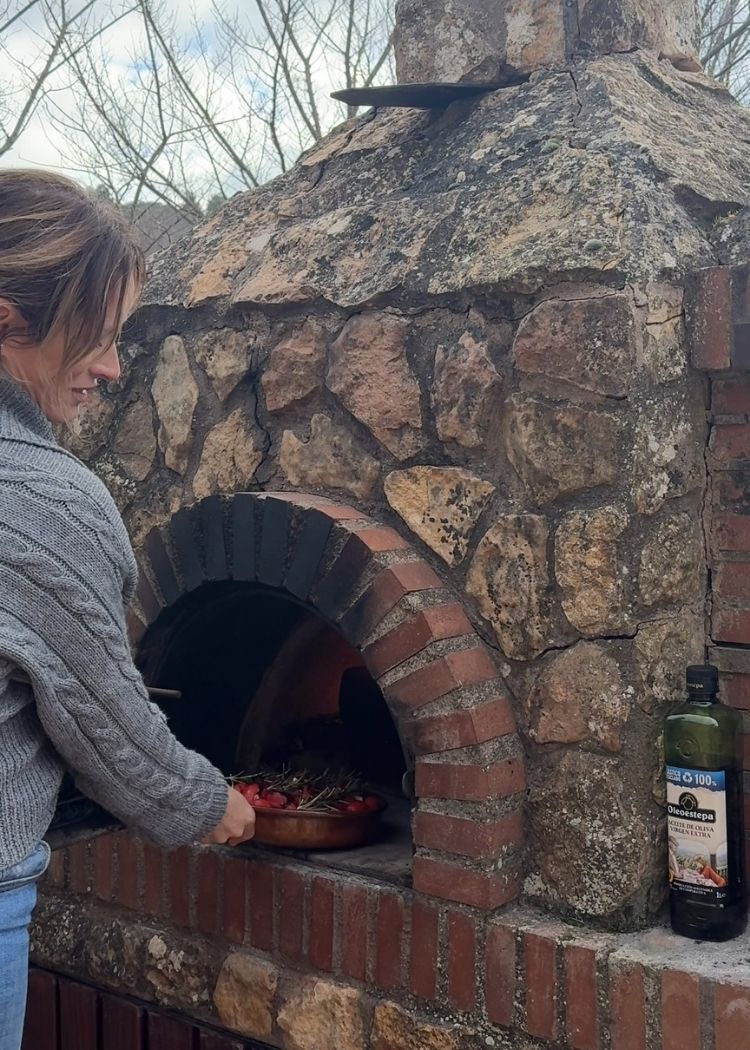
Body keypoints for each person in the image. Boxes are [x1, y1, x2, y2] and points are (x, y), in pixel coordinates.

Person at [0, 169, 255, 1049]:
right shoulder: (42, 499)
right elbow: (107, 724)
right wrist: (211, 804)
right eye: (96, 338)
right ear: (7, 321)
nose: (111, 369)